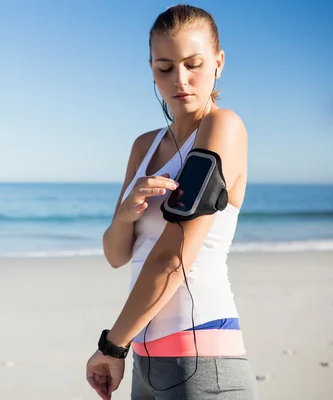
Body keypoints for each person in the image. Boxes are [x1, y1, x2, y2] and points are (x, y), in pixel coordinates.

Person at [85, 4, 259, 400]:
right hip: (145, 365)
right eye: (165, 68)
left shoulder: (221, 127)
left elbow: (172, 259)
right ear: (151, 69)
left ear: (218, 62)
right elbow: (116, 254)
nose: (180, 79)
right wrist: (127, 213)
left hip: (203, 360)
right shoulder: (144, 147)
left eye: (193, 64)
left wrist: (113, 345)